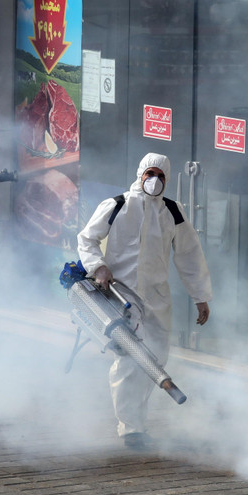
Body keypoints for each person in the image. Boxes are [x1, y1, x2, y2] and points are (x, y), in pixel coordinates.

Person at [77, 152, 212, 450]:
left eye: (161, 176)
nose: (155, 181)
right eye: (150, 173)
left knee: (157, 357)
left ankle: (136, 419)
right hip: (121, 294)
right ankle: (131, 427)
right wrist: (98, 266)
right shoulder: (117, 205)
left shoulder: (173, 212)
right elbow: (86, 239)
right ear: (140, 174)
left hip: (157, 298)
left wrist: (200, 296)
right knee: (130, 358)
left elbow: (189, 255)